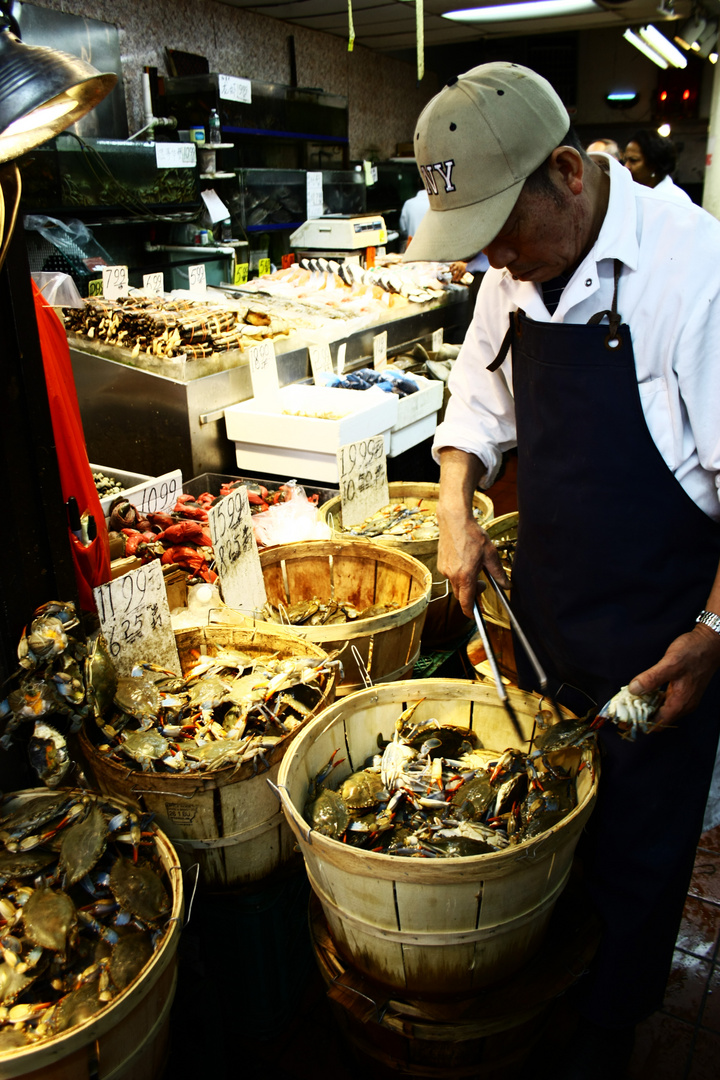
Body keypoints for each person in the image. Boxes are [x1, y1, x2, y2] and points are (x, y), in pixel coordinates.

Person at [404, 61, 720, 1079]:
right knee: (537, 839)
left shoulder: (697, 277)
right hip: (551, 617)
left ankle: (607, 1037)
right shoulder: (514, 270)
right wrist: (456, 506)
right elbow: (474, 410)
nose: (494, 260)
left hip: (659, 643)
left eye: (503, 230)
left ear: (568, 174)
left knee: (632, 867)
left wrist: (714, 637)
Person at [623, 128, 692, 202]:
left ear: (654, 165)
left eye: (633, 160)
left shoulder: (676, 200)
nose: (626, 166)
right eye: (625, 160)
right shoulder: (627, 194)